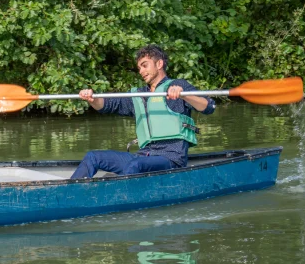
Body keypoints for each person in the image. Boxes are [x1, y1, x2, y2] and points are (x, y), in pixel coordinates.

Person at [70, 44, 215, 179]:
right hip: (143, 156)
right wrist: (92, 98)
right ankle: (70, 194)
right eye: (139, 67)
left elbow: (208, 107)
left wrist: (184, 95)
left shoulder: (179, 85)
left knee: (134, 166)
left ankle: (120, 199)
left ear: (159, 64)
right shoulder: (139, 95)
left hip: (170, 158)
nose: (141, 71)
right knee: (93, 157)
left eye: (145, 66)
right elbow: (107, 105)